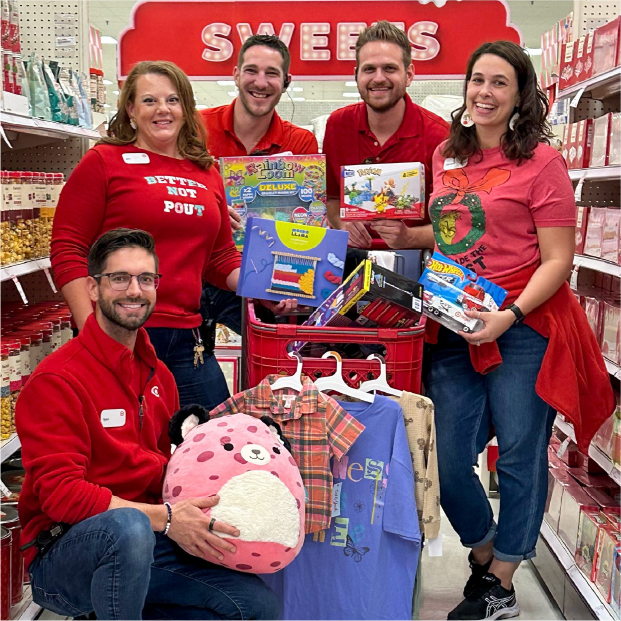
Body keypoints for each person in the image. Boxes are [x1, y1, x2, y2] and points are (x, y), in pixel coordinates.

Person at [423, 41, 614, 621]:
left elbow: (559, 260)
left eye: (499, 83)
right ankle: (484, 556)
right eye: (477, 80)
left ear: (521, 93)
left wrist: (509, 316)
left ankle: (502, 579)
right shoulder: (444, 155)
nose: (484, 92)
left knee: (519, 454)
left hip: (523, 327)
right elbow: (449, 236)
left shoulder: (542, 163)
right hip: (453, 326)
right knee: (447, 460)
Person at [17, 228, 280, 621]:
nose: (134, 291)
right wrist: (168, 519)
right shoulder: (57, 380)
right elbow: (62, 498)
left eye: (146, 279)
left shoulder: (159, 375)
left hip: (149, 538)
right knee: (127, 528)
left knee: (256, 607)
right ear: (92, 288)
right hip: (65, 553)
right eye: (119, 278)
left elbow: (170, 469)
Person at [51, 60, 293, 412]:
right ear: (131, 109)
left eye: (173, 100)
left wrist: (263, 286)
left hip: (187, 338)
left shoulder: (206, 170)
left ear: (186, 109)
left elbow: (220, 257)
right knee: (124, 452)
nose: (162, 109)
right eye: (149, 101)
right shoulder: (104, 161)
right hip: (118, 330)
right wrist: (91, 329)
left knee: (217, 441)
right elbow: (68, 248)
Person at [199, 34, 319, 335]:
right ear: (236, 74)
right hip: (198, 277)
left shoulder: (301, 142)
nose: (261, 82)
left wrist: (290, 286)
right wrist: (206, 210)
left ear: (286, 80)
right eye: (252, 70)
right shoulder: (197, 129)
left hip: (265, 279)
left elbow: (307, 226)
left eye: (272, 73)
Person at [323, 21, 449, 251]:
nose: (378, 78)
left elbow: (455, 226)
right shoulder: (337, 126)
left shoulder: (440, 136)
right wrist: (341, 222)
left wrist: (409, 237)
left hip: (415, 264)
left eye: (389, 69)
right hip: (348, 260)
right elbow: (331, 198)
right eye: (369, 69)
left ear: (409, 74)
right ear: (356, 75)